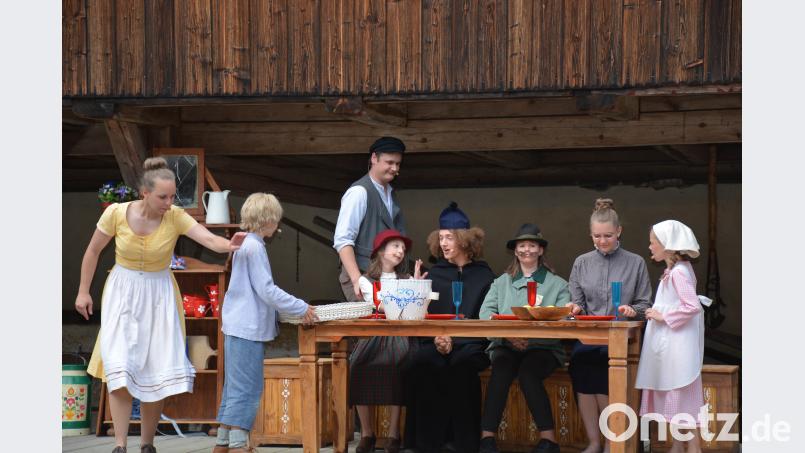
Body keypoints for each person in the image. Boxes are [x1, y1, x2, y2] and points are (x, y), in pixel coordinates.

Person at [76, 157, 247, 453]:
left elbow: (206, 238)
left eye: (172, 197)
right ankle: (119, 445)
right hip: (123, 290)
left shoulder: (175, 216)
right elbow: (93, 250)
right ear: (145, 192)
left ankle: (147, 444)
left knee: (155, 365)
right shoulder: (116, 213)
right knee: (119, 364)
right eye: (163, 197)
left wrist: (229, 245)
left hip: (159, 293)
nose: (169, 202)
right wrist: (83, 291)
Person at [213, 193, 318, 453]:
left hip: (238, 325)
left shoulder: (244, 244)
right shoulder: (255, 247)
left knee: (234, 385)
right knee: (247, 386)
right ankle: (238, 444)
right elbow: (267, 290)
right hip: (247, 327)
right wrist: (301, 306)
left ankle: (223, 442)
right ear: (269, 219)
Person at [404, 202, 495, 453]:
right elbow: (421, 317)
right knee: (423, 363)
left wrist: (457, 340)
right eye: (441, 237)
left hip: (470, 344)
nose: (443, 243)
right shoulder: (434, 275)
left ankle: (461, 443)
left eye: (450, 237)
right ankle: (426, 443)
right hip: (435, 341)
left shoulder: (485, 276)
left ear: (465, 240)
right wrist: (417, 292)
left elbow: (486, 319)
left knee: (461, 366)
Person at [566, 198, 652, 453]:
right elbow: (577, 302)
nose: (602, 241)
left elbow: (645, 303)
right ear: (590, 235)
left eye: (608, 236)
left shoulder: (635, 262)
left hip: (622, 338)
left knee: (605, 371)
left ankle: (612, 442)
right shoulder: (581, 262)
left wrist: (630, 310)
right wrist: (575, 308)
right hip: (589, 336)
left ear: (619, 232)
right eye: (597, 236)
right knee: (581, 368)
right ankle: (594, 442)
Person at [478, 224, 570, 453]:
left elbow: (562, 319)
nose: (527, 250)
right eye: (522, 245)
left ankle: (549, 440)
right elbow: (484, 314)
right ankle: (487, 438)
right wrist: (508, 336)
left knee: (529, 373)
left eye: (532, 245)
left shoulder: (558, 284)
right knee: (500, 370)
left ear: (540, 250)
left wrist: (532, 339)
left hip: (543, 348)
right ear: (515, 250)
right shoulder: (501, 282)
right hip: (505, 345)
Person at [350, 229, 427, 453]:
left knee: (397, 366)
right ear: (381, 250)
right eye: (395, 246)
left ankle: (394, 433)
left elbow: (417, 308)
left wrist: (417, 287)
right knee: (356, 366)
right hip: (373, 336)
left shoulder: (406, 278)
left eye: (403, 248)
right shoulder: (366, 280)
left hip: (400, 335)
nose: (401, 251)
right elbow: (383, 306)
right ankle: (367, 433)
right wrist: (409, 293)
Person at [636, 220, 708, 453]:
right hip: (674, 345)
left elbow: (692, 306)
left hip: (679, 347)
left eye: (653, 243)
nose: (650, 247)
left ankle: (693, 447)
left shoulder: (678, 273)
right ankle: (678, 445)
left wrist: (661, 314)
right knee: (678, 396)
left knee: (681, 393)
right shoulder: (674, 271)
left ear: (667, 245)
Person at [333, 136, 407, 302]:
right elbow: (342, 240)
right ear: (374, 158)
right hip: (364, 277)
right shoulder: (359, 192)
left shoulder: (391, 194)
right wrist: (356, 279)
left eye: (398, 163)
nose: (394, 168)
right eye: (389, 162)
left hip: (387, 279)